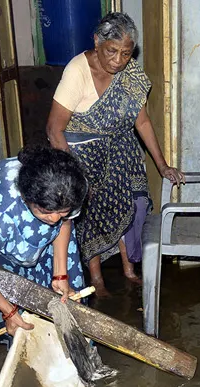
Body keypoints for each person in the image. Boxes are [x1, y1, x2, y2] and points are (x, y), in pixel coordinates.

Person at [46, 12, 185, 296]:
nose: (118, 60)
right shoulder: (77, 71)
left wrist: (162, 166)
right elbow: (53, 129)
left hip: (120, 152)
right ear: (96, 41)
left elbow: (142, 121)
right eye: (112, 51)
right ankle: (96, 279)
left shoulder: (130, 74)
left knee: (130, 205)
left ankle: (128, 269)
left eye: (126, 53)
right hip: (81, 155)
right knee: (91, 215)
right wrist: (76, 178)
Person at [0, 146, 88, 338]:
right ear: (27, 199)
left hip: (40, 206)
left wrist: (60, 274)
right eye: (45, 211)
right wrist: (8, 311)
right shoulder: (1, 213)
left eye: (61, 211)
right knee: (11, 285)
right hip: (7, 220)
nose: (54, 219)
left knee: (67, 291)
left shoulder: (70, 188)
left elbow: (65, 222)